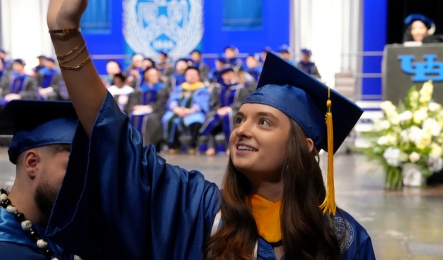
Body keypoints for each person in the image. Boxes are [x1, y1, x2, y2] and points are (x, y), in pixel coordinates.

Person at [45, 1, 375, 258]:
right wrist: (66, 33)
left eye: (264, 122)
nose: (242, 130)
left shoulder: (344, 239)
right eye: (240, 119)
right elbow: (118, 145)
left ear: (305, 145)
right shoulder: (201, 210)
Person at [0, 99, 78, 259]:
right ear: (32, 163)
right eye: (76, 168)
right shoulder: (5, 247)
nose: (86, 182)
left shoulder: (73, 236)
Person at [200, 66, 250, 156]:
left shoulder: (240, 88)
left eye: (231, 73)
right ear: (222, 76)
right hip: (219, 111)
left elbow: (242, 102)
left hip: (234, 112)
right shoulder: (217, 87)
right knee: (211, 118)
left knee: (229, 117)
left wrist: (229, 109)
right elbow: (213, 102)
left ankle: (230, 146)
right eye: (226, 74)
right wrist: (218, 109)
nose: (229, 75)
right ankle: (211, 146)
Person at [162, 66, 210, 155]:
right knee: (168, 119)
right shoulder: (179, 88)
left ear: (198, 76)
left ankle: (192, 145)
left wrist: (189, 111)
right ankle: (174, 145)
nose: (191, 77)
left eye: (193, 75)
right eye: (189, 74)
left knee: (197, 120)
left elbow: (202, 102)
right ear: (185, 76)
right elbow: (172, 100)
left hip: (194, 112)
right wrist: (175, 109)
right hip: (178, 111)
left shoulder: (202, 89)